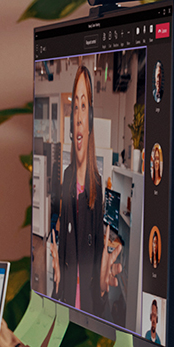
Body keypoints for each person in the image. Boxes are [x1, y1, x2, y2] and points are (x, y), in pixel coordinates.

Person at [49, 65, 122, 315]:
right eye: (75, 107)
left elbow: (99, 248)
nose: (79, 116)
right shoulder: (67, 176)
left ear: (89, 121)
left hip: (88, 296)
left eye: (84, 106)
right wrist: (57, 266)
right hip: (67, 291)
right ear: (72, 125)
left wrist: (103, 279)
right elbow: (60, 231)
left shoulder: (97, 184)